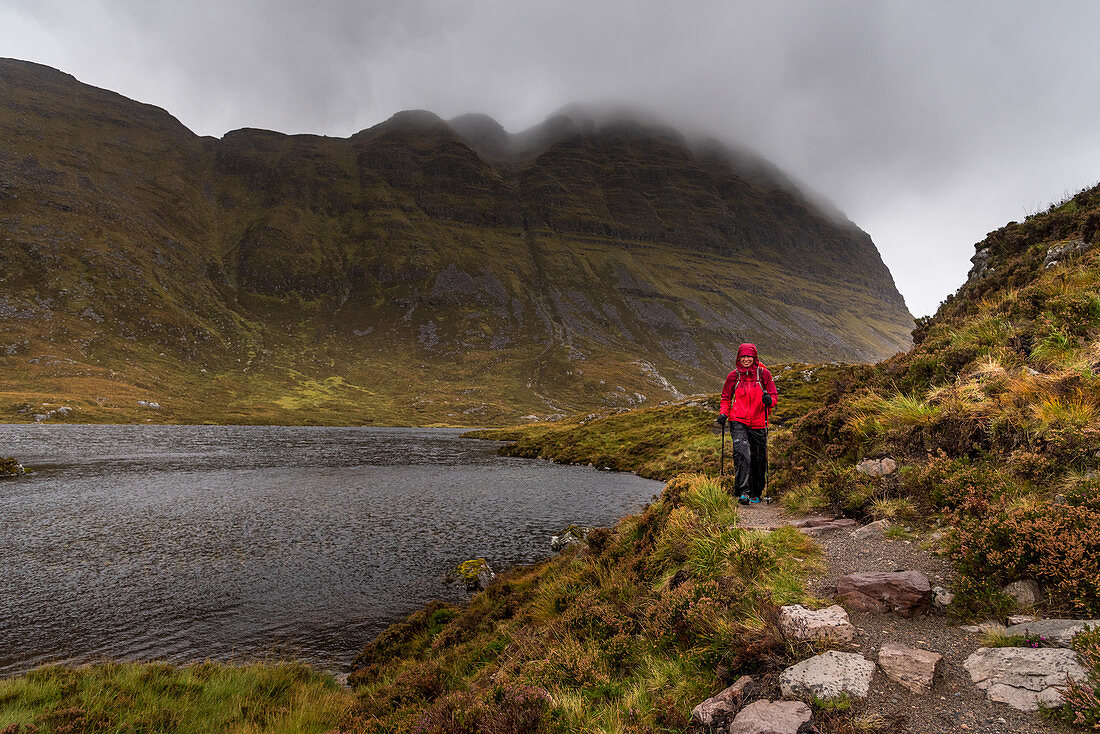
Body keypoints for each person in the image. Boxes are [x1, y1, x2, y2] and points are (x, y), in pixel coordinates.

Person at [716, 343, 778, 504]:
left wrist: (769, 400)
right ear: (738, 358)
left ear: (754, 358)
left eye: (749, 356)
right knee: (742, 453)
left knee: (759, 458)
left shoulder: (764, 374)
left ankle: (756, 492)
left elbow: (773, 395)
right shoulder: (733, 376)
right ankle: (743, 492)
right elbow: (725, 398)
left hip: (759, 421)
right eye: (743, 356)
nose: (746, 359)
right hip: (738, 420)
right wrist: (723, 413)